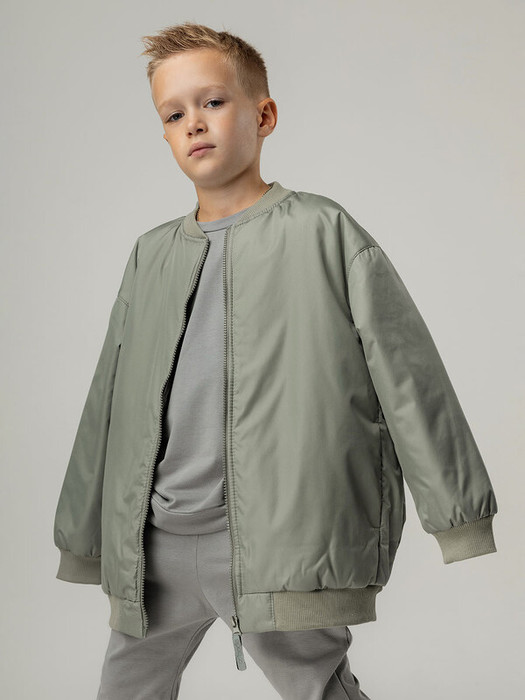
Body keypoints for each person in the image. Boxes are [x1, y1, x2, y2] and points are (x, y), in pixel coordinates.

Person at [52, 21, 498, 700]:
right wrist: (82, 536)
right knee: (125, 686)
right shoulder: (151, 255)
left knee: (314, 686)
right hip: (156, 543)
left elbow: (408, 374)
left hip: (279, 541)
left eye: (212, 102)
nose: (193, 123)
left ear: (263, 116)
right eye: (173, 114)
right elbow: (106, 401)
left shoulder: (322, 231)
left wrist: (459, 517)